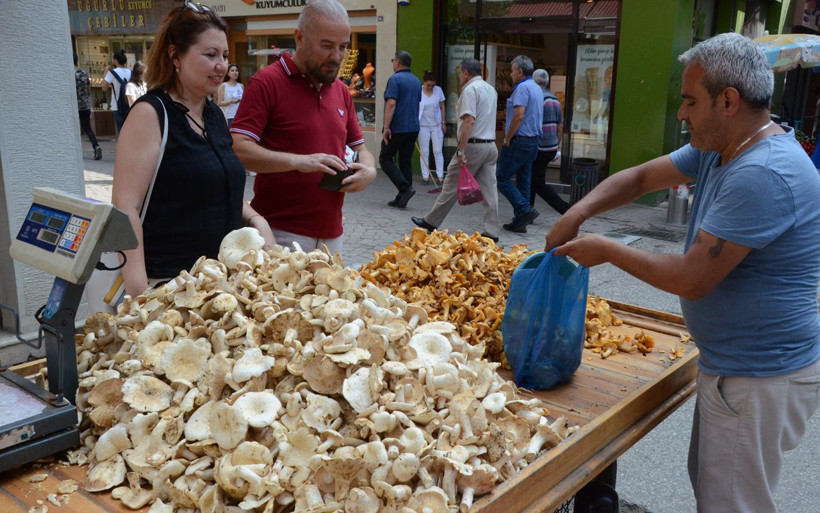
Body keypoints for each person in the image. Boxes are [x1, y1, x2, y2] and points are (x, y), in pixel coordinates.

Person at [545, 32, 820, 513]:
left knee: (732, 504)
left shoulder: (763, 171)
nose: (681, 113)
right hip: (733, 364)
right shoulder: (723, 146)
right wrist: (576, 212)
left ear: (729, 101)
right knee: (714, 488)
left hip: (758, 374)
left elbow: (693, 277)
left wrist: (605, 248)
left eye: (691, 101)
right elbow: (640, 178)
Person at [112, 2, 274, 298]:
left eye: (224, 56)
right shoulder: (151, 113)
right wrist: (138, 294)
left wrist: (256, 219)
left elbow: (223, 187)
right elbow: (125, 207)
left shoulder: (213, 115)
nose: (222, 66)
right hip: (167, 287)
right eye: (211, 55)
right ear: (176, 56)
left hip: (221, 284)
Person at [230, 0, 376, 255]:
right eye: (327, 46)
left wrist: (370, 171)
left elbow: (361, 148)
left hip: (333, 235)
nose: (337, 56)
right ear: (299, 38)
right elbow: (238, 149)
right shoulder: (266, 83)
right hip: (278, 233)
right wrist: (299, 162)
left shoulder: (341, 91)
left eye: (342, 46)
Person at [411, 58, 500, 242]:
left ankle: (431, 221)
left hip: (474, 145)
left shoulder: (470, 89)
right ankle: (492, 232)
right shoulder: (490, 89)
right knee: (490, 189)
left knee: (451, 181)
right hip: (490, 145)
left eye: (460, 72)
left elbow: (469, 120)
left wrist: (461, 150)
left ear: (466, 73)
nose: (459, 76)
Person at [497, 55, 543, 233]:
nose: (510, 74)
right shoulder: (536, 88)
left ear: (520, 71)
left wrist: (508, 138)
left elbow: (519, 115)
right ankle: (520, 221)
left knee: (501, 178)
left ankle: (524, 210)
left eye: (512, 71)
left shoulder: (522, 88)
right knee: (524, 180)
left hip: (520, 140)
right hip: (532, 141)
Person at [379, 50, 422, 209]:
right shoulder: (417, 81)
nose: (392, 63)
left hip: (397, 127)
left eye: (393, 60)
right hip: (413, 127)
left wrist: (386, 127)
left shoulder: (395, 79)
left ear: (397, 62)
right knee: (405, 162)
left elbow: (391, 103)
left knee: (385, 159)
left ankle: (405, 189)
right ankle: (402, 196)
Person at [531, 68, 569, 215]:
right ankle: (527, 211)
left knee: (538, 182)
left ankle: (564, 207)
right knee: (533, 179)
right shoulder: (555, 99)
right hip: (550, 147)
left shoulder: (537, 99)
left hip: (539, 147)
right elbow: (560, 126)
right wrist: (556, 145)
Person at [417, 70, 446, 185]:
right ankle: (425, 176)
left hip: (436, 125)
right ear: (424, 82)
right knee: (424, 152)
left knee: (437, 151)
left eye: (432, 85)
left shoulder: (438, 90)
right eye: (428, 85)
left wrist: (443, 122)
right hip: (422, 126)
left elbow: (442, 107)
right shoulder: (418, 91)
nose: (430, 87)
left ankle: (440, 176)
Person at [73, 52, 102, 160]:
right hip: (85, 105)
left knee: (73, 129)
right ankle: (96, 146)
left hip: (74, 106)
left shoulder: (69, 74)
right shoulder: (84, 73)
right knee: (87, 128)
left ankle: (74, 152)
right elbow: (89, 91)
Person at [101, 49, 131, 133]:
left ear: (115, 60)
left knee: (121, 131)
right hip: (129, 104)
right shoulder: (130, 72)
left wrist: (105, 73)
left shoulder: (112, 73)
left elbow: (104, 88)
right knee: (129, 129)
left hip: (117, 105)